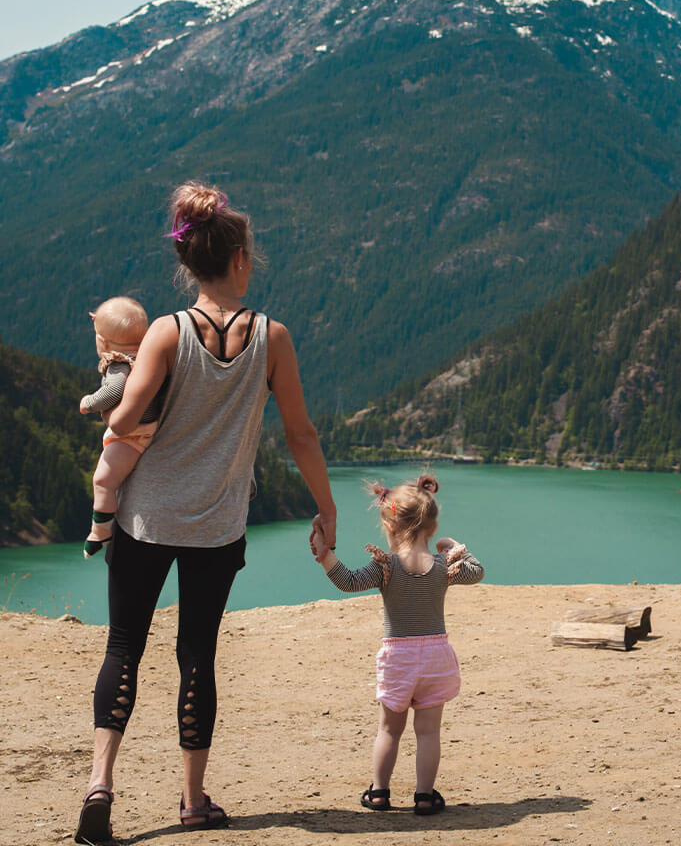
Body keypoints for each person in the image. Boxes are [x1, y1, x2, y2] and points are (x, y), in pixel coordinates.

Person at [74, 181, 338, 845]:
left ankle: (100, 785)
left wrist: (114, 409)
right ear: (242, 259)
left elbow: (128, 415)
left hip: (145, 520)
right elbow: (301, 434)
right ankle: (193, 802)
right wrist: (327, 506)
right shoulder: (272, 338)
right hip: (217, 527)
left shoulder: (165, 332)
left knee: (123, 646)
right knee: (198, 655)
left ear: (189, 263)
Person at [311, 474, 483, 816]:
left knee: (389, 729)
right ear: (431, 529)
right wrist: (455, 547)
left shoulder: (386, 567)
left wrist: (325, 555)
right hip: (436, 658)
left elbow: (348, 581)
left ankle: (379, 793)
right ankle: (424, 796)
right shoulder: (443, 566)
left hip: (399, 660)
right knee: (429, 732)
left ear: (389, 526)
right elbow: (477, 571)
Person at [79, 297, 162, 558]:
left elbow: (113, 392)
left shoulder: (119, 363)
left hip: (133, 435)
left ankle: (100, 531)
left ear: (101, 341)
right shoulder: (150, 356)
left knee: (103, 480)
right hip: (153, 427)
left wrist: (88, 402)